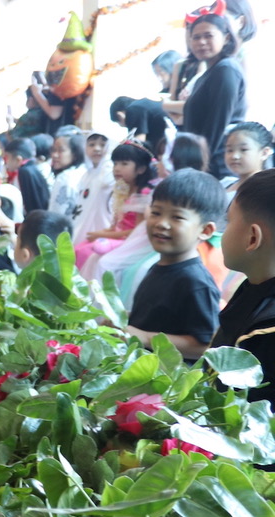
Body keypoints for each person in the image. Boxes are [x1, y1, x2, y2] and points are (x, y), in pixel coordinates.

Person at [125, 169, 224, 361]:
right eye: (156, 212)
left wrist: (143, 337)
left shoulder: (196, 282)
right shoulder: (158, 265)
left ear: (205, 230)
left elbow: (203, 345)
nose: (162, 223)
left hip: (169, 382)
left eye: (177, 217)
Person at [214, 169, 275, 408]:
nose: (224, 232)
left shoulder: (267, 330)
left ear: (252, 238)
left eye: (228, 221)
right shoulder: (254, 285)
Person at [169, 1, 247, 172]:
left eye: (208, 36)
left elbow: (216, 126)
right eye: (196, 37)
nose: (201, 42)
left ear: (226, 38)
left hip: (214, 165)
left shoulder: (226, 70)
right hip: (202, 163)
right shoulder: (209, 72)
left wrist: (199, 170)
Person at [76, 140, 157, 272]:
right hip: (118, 237)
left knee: (96, 258)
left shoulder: (143, 194)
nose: (117, 168)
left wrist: (102, 235)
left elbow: (137, 232)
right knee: (79, 248)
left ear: (141, 169)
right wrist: (104, 232)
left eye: (124, 164)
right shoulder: (123, 190)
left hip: (131, 243)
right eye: (115, 163)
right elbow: (116, 225)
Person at [219, 122, 273, 195]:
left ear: (264, 153)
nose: (234, 156)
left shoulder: (265, 192)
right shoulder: (224, 183)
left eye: (243, 149)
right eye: (230, 150)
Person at [4, 139, 49, 214]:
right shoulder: (32, 168)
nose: (5, 162)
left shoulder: (24, 172)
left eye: (7, 157)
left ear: (18, 159)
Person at [48, 133, 86, 220]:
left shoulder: (64, 178)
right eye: (53, 150)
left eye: (61, 150)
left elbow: (55, 214)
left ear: (75, 154)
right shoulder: (84, 172)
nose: (55, 155)